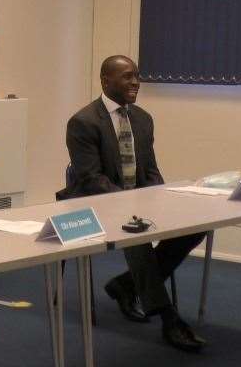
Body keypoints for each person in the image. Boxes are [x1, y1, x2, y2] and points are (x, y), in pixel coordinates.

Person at [58, 55, 206, 352]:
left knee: (192, 229)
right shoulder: (83, 122)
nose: (136, 82)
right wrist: (133, 205)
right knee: (136, 234)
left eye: (137, 75)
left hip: (134, 200)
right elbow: (90, 178)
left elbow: (150, 171)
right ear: (105, 80)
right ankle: (169, 318)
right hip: (92, 204)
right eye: (127, 76)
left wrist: (162, 201)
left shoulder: (142, 118)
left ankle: (126, 285)